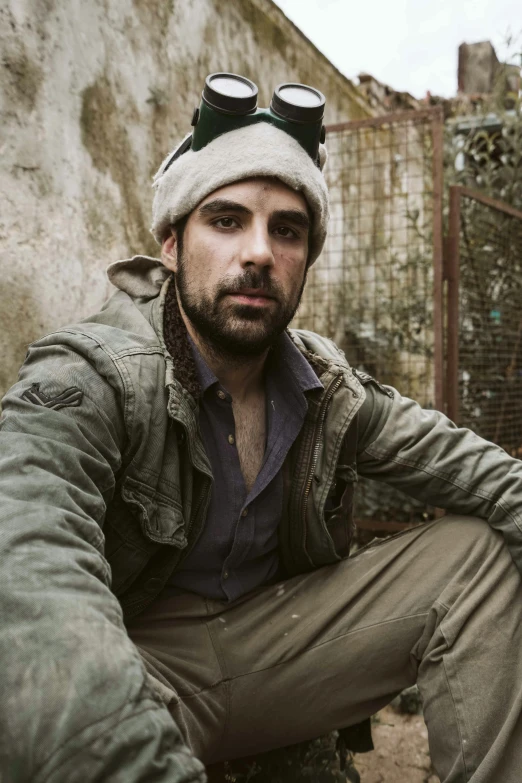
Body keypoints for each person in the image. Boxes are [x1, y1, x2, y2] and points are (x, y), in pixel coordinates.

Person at [1, 73, 522, 783]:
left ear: (306, 258)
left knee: (475, 556)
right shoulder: (90, 375)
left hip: (276, 656)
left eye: (287, 229)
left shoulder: (323, 388)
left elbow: (478, 469)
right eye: (226, 220)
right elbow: (29, 567)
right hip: (143, 675)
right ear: (173, 245)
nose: (258, 252)